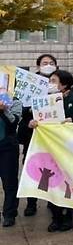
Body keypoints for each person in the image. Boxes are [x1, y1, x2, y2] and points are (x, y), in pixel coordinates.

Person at [29, 70, 73, 232]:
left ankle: (70, 216)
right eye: (50, 80)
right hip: (49, 149)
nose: (50, 83)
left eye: (54, 80)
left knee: (69, 184)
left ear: (64, 84)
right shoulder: (43, 102)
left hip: (70, 150)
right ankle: (56, 217)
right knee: (53, 183)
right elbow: (35, 121)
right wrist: (33, 123)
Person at [17, 53, 58, 218]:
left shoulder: (59, 83)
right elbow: (20, 107)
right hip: (32, 134)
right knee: (32, 166)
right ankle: (31, 203)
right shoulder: (30, 85)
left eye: (51, 62)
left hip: (54, 136)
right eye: (44, 63)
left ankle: (52, 200)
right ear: (38, 66)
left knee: (53, 168)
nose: (48, 65)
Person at [0, 97, 22, 227]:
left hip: (7, 148)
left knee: (9, 182)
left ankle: (9, 214)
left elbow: (14, 123)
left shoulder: (15, 102)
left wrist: (4, 110)